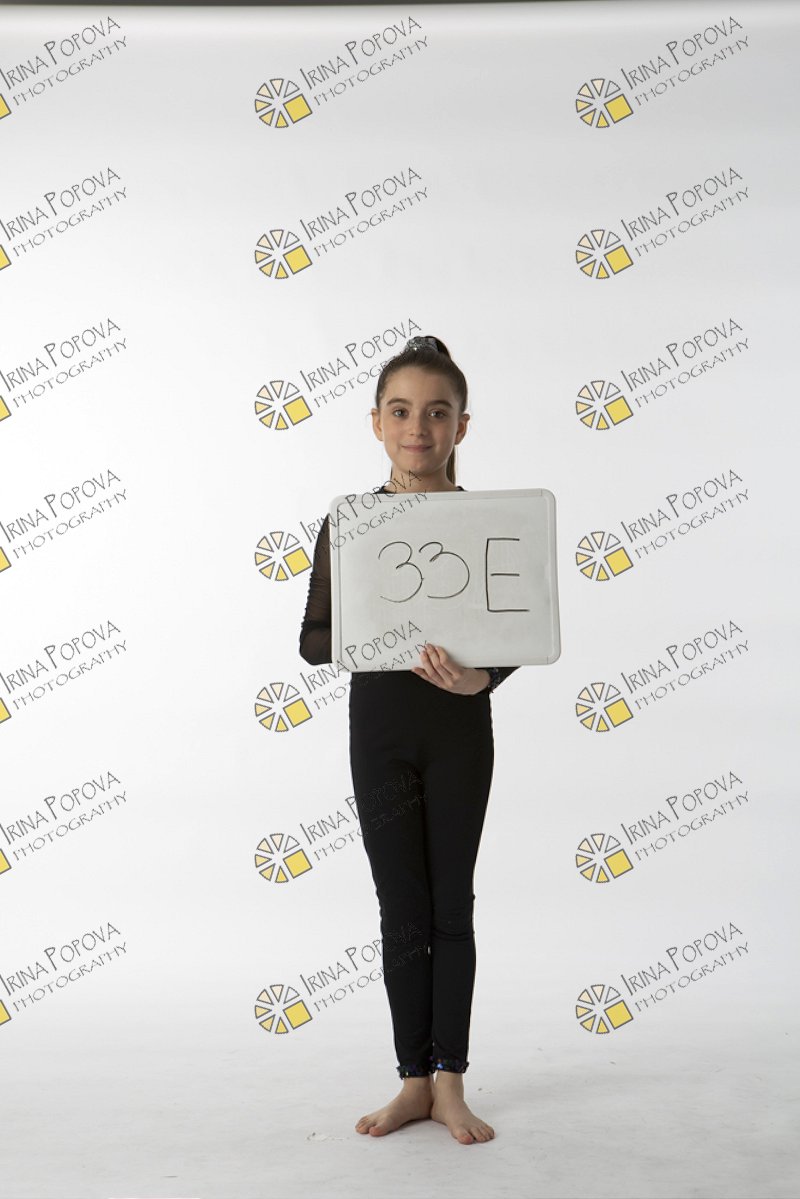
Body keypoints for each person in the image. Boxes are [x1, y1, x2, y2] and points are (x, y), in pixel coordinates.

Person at [298, 335, 518, 1144]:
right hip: (382, 734)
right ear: (376, 423)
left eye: (436, 412)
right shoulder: (351, 524)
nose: (417, 427)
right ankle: (412, 1080)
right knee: (402, 908)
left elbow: (518, 626)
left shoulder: (490, 524)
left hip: (458, 732)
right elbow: (315, 641)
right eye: (400, 411)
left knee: (451, 904)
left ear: (462, 425)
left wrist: (480, 676)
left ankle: (450, 1080)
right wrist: (382, 625)